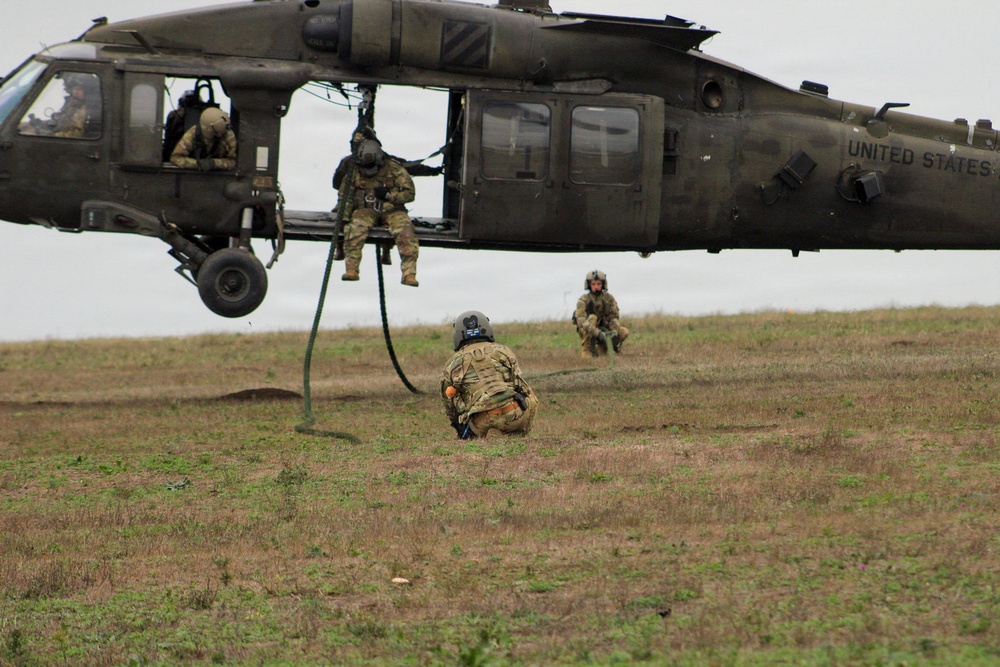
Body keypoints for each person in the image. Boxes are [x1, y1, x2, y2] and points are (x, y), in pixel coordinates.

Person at [336, 137, 420, 286]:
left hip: (393, 210)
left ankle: (409, 274)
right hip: (366, 210)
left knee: (406, 232)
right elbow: (345, 196)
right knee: (354, 229)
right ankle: (352, 269)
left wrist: (390, 196)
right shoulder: (354, 172)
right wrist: (344, 216)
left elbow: (410, 194)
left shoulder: (395, 169)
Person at [441, 310, 538, 438]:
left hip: (482, 421)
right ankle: (520, 434)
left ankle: (478, 436)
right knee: (531, 397)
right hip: (514, 413)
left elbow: (449, 403)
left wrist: (458, 425)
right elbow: (520, 385)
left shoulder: (452, 363)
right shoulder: (503, 351)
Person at [574, 269, 629, 357]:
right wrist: (597, 333)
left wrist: (614, 331)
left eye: (598, 284)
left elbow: (614, 317)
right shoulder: (583, 300)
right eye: (593, 284)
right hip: (589, 331)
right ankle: (587, 349)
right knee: (592, 318)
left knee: (624, 332)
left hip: (605, 329)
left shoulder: (609, 298)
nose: (596, 287)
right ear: (589, 285)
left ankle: (603, 348)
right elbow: (582, 321)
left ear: (603, 284)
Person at [169, 107, 237, 171]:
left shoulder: (228, 135)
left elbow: (234, 161)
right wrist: (198, 164)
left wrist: (215, 163)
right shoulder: (192, 134)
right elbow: (175, 158)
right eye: (217, 132)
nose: (220, 135)